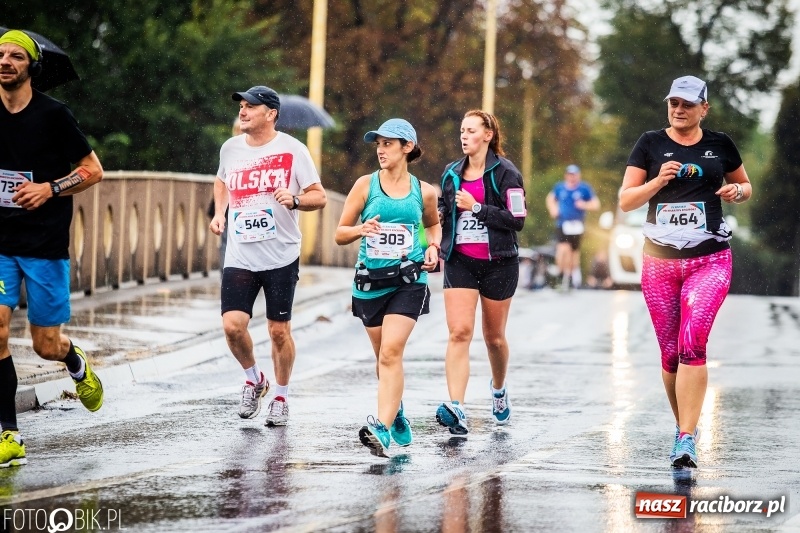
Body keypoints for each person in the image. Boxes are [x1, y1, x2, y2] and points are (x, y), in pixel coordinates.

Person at [620, 75, 752, 468]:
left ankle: (684, 437)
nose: (678, 110)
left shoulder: (720, 145)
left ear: (703, 109)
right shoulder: (649, 144)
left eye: (687, 104)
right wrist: (658, 180)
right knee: (671, 353)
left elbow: (746, 186)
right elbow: (626, 201)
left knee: (693, 342)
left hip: (709, 259)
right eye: (673, 103)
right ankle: (686, 430)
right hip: (659, 262)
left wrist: (737, 192)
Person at [0, 30, 105, 468]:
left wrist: (50, 188)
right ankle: (9, 433)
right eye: (0, 54)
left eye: (16, 56)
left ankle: (74, 361)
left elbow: (92, 170)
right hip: (0, 242)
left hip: (44, 244)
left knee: (44, 345)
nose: (5, 61)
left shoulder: (54, 115)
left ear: (32, 66)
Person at [209, 86, 327, 426]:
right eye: (242, 107)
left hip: (280, 255)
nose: (243, 112)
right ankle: (254, 379)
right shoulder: (230, 149)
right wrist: (220, 213)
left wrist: (296, 200)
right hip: (240, 253)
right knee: (233, 327)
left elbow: (317, 196)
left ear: (271, 114)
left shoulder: (293, 150)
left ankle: (280, 396)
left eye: (251, 107)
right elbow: (221, 182)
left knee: (278, 331)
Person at [335, 119, 441, 455]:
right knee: (382, 359)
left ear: (407, 147)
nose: (381, 150)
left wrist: (433, 248)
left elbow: (433, 225)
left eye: (388, 144)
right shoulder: (365, 186)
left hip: (409, 280)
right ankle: (396, 409)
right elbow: (340, 233)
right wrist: (360, 230)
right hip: (370, 283)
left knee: (391, 353)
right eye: (378, 144)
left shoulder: (423, 191)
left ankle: (380, 428)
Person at [436, 110, 526, 435]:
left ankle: (499, 389)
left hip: (499, 263)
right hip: (460, 260)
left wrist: (475, 207)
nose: (464, 136)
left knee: (494, 339)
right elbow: (443, 208)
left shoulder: (506, 173)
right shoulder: (450, 173)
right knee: (459, 332)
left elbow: (517, 220)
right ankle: (457, 407)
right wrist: (438, 238)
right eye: (462, 130)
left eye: (471, 130)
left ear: (487, 135)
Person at [545, 164, 600, 290]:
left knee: (573, 254)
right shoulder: (559, 188)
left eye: (574, 175)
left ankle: (568, 277)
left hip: (577, 225)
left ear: (578, 176)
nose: (572, 178)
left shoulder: (584, 189)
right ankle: (560, 273)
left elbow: (596, 204)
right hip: (563, 223)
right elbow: (550, 199)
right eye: (570, 175)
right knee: (562, 249)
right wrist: (553, 210)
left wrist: (584, 205)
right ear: (566, 176)